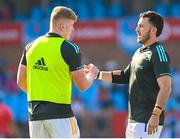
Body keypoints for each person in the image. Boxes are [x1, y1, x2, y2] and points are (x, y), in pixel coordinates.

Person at [17, 6, 99, 138]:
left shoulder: (30, 46)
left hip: (35, 117)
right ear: (62, 26)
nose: (73, 29)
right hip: (60, 116)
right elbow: (83, 85)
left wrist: (43, 96)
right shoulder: (70, 48)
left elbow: (20, 81)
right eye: (71, 25)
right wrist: (92, 74)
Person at [96, 11, 172, 138]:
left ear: (153, 30)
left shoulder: (158, 53)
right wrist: (97, 74)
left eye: (141, 26)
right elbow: (124, 76)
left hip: (147, 122)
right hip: (134, 121)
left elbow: (166, 87)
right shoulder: (138, 52)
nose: (136, 29)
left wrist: (155, 115)